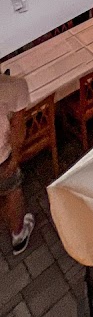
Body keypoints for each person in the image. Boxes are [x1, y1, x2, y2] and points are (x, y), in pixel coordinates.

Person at [0, 71, 35, 255]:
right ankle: (19, 235)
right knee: (12, 192)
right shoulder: (13, 86)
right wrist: (15, 159)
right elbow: (18, 127)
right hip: (1, 156)